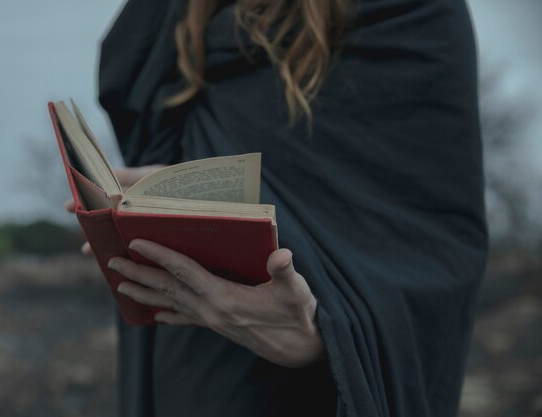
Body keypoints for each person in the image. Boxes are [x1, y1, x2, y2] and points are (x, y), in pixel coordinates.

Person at [67, 0, 488, 416]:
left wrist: (330, 334)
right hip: (191, 341)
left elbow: (438, 233)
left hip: (314, 376)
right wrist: (176, 181)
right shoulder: (177, 17)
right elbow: (139, 86)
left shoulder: (413, 14)